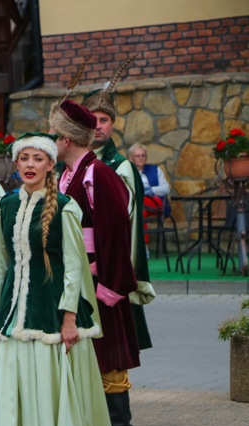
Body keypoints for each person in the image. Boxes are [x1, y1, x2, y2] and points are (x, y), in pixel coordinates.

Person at [0, 132, 114, 426]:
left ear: (50, 164)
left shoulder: (66, 206)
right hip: (15, 306)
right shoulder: (6, 205)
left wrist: (69, 317)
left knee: (45, 381)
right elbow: (2, 262)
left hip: (49, 306)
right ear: (15, 162)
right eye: (23, 158)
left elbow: (75, 266)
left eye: (37, 159)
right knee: (21, 381)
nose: (29, 165)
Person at [50, 99, 141, 426]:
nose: (50, 142)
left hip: (99, 278)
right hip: (79, 274)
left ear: (67, 140)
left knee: (109, 354)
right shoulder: (70, 174)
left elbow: (116, 229)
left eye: (54, 136)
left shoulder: (98, 174)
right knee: (89, 350)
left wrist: (110, 282)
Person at [82, 65, 156, 375]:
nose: (98, 126)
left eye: (104, 120)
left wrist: (122, 273)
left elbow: (129, 228)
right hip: (80, 267)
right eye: (92, 120)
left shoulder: (120, 166)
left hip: (109, 267)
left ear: (113, 124)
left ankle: (118, 420)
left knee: (112, 349)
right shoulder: (72, 163)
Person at [129, 143, 171, 217]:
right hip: (138, 204)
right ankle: (141, 229)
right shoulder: (128, 172)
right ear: (131, 158)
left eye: (143, 155)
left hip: (155, 203)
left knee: (138, 202)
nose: (141, 158)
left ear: (146, 157)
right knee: (141, 212)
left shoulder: (155, 169)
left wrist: (151, 190)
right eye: (138, 156)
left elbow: (166, 188)